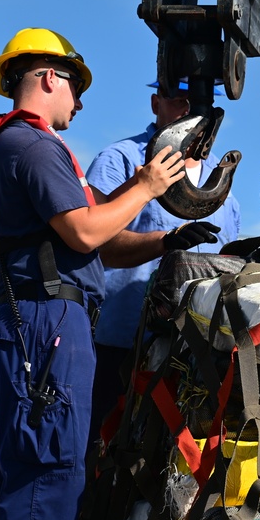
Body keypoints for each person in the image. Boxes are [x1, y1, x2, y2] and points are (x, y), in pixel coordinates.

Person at [0, 27, 204, 520]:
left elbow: (98, 238)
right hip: (46, 323)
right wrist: (149, 184)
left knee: (32, 456)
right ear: (49, 77)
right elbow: (85, 229)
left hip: (45, 320)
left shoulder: (25, 146)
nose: (80, 100)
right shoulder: (33, 145)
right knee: (48, 459)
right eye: (75, 85)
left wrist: (165, 242)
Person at [84, 79, 241, 446]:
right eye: (177, 99)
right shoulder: (121, 160)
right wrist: (164, 242)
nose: (187, 110)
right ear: (156, 102)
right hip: (118, 346)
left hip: (187, 354)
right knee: (98, 451)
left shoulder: (221, 184)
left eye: (196, 102)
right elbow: (96, 241)